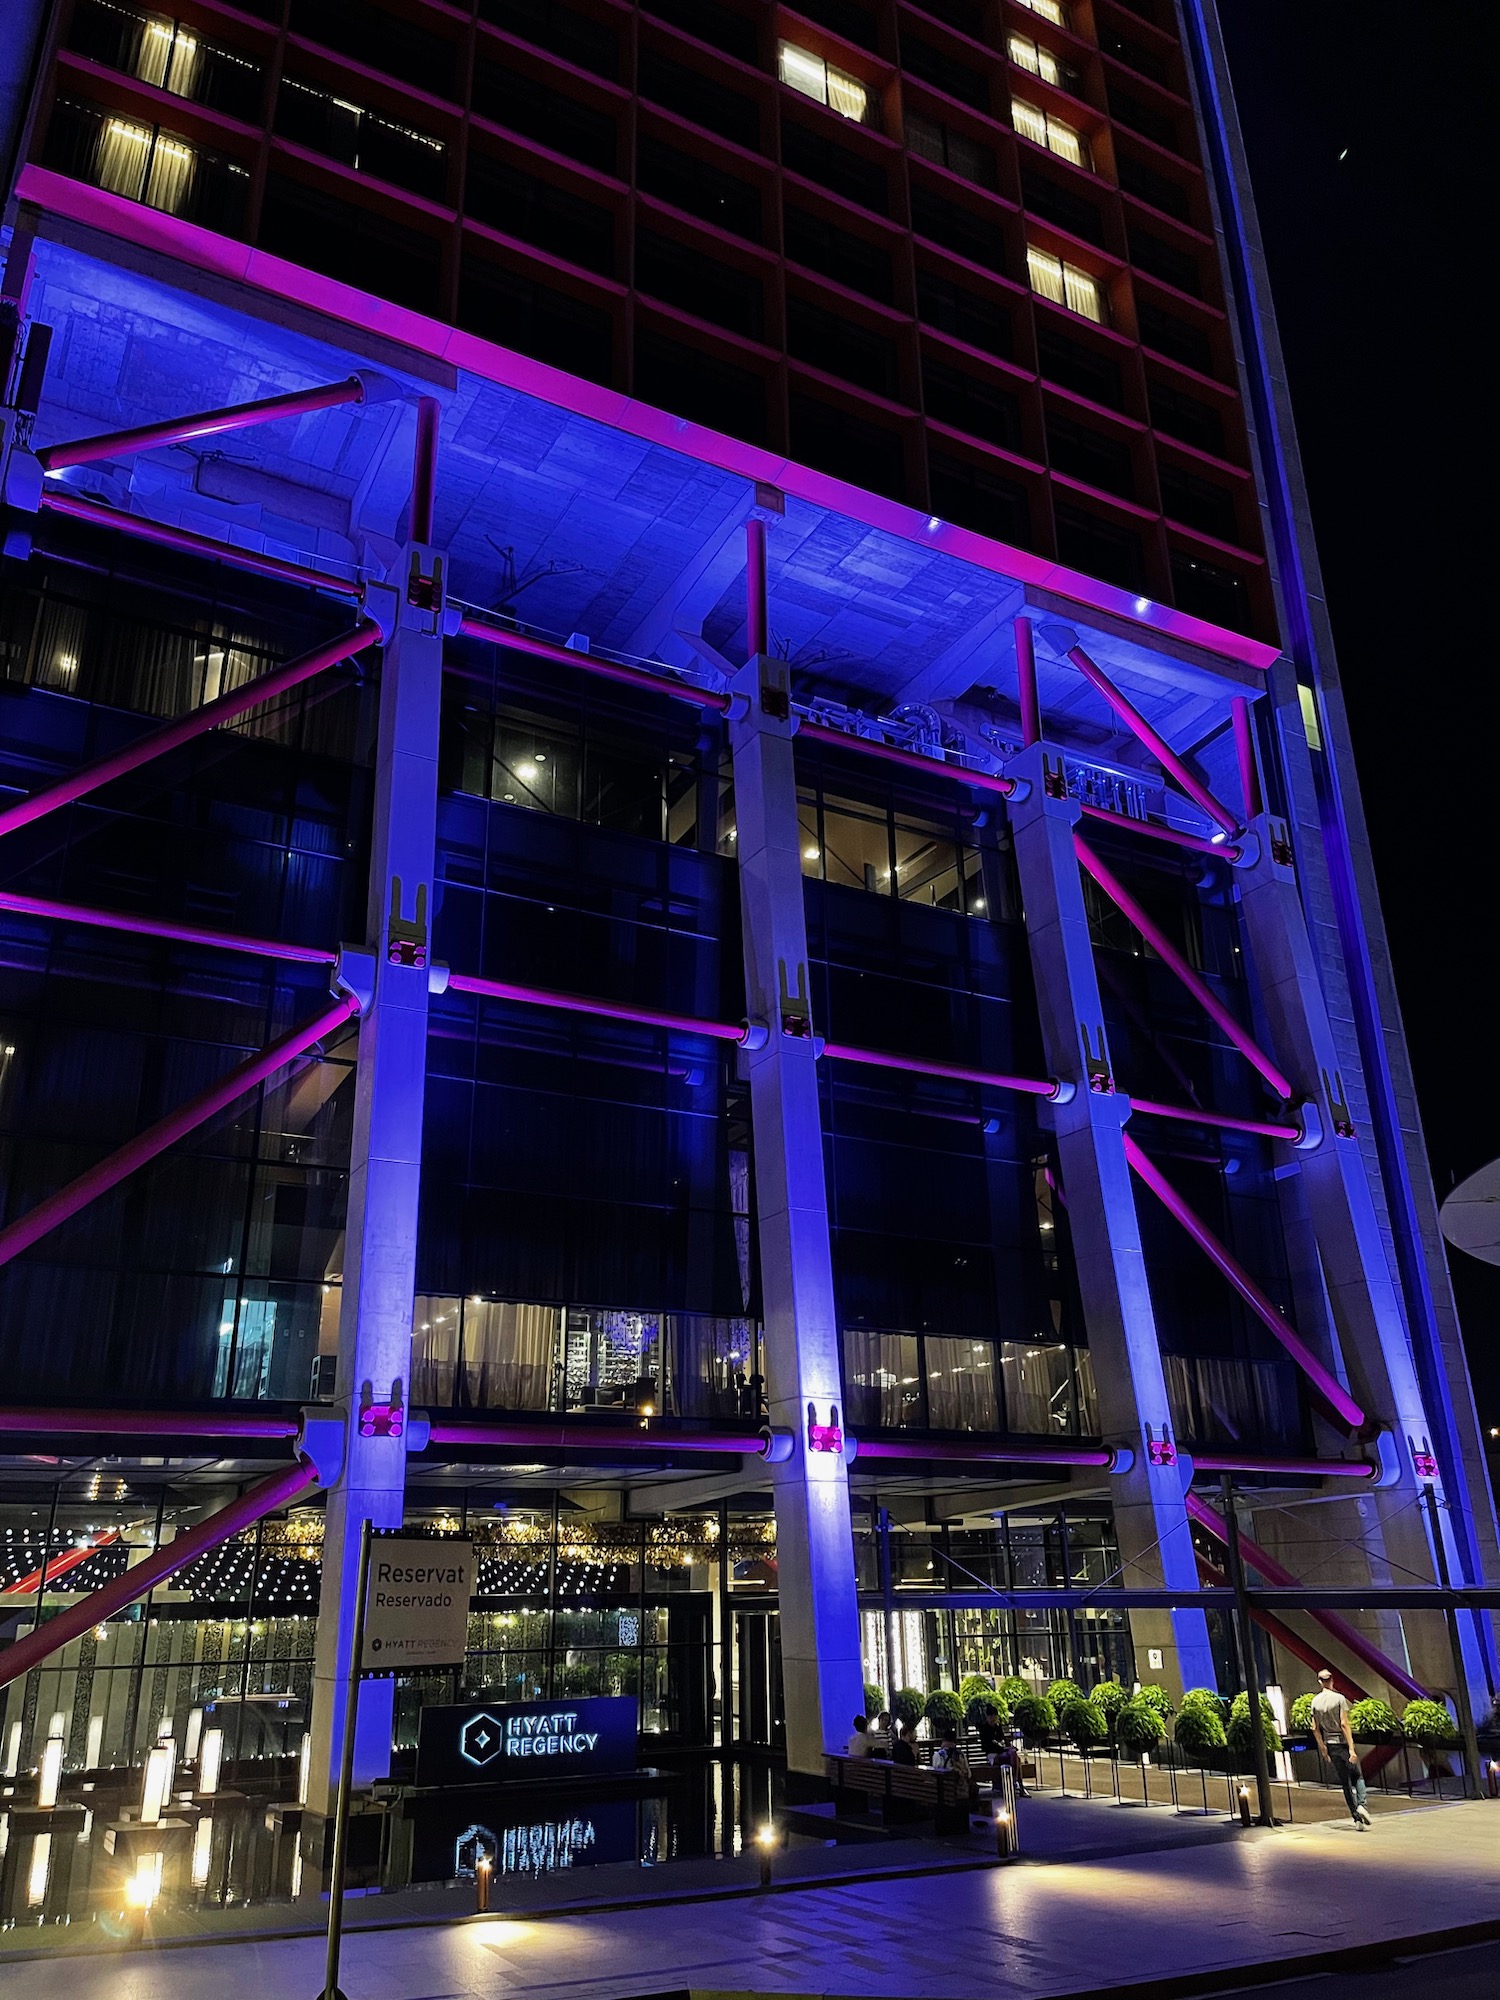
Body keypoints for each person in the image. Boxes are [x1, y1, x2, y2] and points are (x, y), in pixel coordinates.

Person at [1310, 1668, 1372, 1828]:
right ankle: (1362, 1806)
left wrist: (1322, 1747)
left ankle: (1357, 1819)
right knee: (1357, 1776)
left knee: (1345, 1782)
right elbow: (1344, 1723)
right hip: (1342, 1743)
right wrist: (1351, 1748)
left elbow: (1314, 1727)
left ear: (1319, 1682)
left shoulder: (1315, 1702)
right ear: (1332, 1680)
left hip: (1330, 1745)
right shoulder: (1340, 1699)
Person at [977, 1702, 1027, 1798]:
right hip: (993, 1755)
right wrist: (1003, 1748)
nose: (993, 1719)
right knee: (1014, 1757)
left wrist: (1008, 1747)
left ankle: (1015, 1783)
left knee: (1016, 1758)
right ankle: (1018, 1785)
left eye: (995, 1717)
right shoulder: (984, 1729)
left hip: (1003, 1753)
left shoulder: (997, 1727)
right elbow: (987, 1746)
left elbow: (1003, 1740)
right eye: (991, 1717)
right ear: (987, 1717)